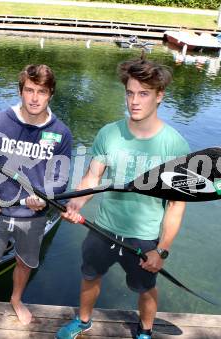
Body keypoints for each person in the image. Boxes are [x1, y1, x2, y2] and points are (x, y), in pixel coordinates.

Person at [56, 56, 190, 339]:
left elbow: (177, 205)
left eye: (144, 94)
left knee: (146, 287)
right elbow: (93, 178)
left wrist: (162, 250)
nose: (135, 101)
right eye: (130, 93)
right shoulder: (109, 133)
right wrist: (75, 204)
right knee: (90, 276)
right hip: (103, 228)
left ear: (159, 96)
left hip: (144, 236)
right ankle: (83, 321)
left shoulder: (174, 144)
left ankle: (145, 331)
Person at [0, 64, 72, 326]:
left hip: (33, 215)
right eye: (29, 90)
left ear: (50, 95)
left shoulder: (61, 133)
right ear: (20, 91)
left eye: (42, 91)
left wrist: (47, 197)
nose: (35, 98)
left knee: (25, 262)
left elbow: (60, 177)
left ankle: (15, 299)